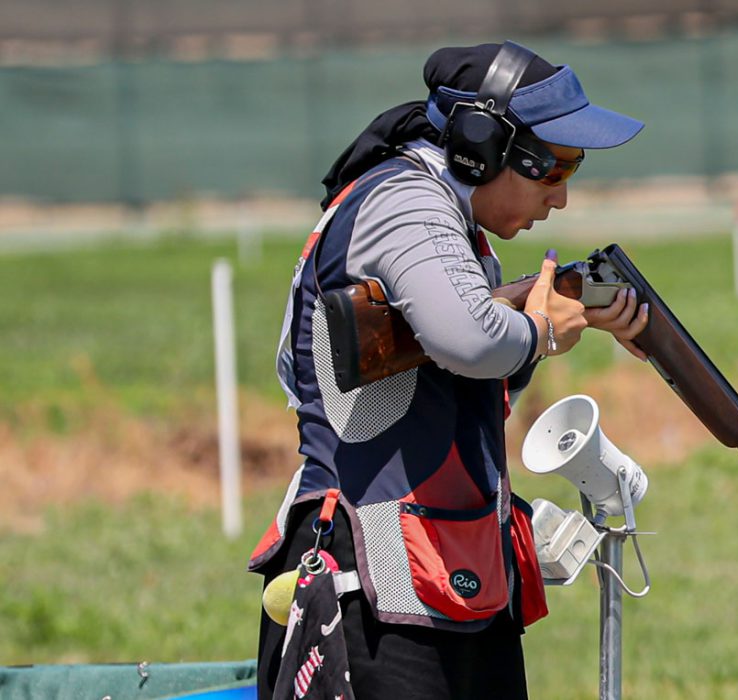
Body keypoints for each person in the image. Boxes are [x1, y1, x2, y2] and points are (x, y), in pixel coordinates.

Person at [249, 40, 647, 699]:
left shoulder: (459, 230)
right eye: (554, 165)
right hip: (370, 575)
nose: (563, 196)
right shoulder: (408, 205)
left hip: (440, 569)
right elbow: (469, 339)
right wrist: (544, 329)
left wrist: (559, 322)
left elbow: (466, 382)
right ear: (483, 146)